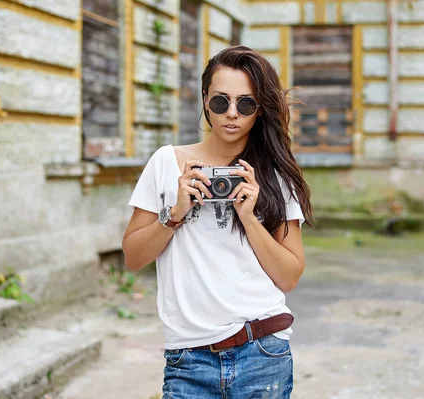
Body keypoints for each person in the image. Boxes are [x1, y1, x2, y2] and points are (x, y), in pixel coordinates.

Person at [122, 45, 313, 398]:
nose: (231, 114)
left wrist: (249, 216)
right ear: (205, 99)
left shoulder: (272, 175)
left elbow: (289, 276)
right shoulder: (167, 163)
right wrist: (174, 214)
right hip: (189, 358)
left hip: (262, 353)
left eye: (245, 104)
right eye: (221, 101)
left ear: (259, 110)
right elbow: (133, 257)